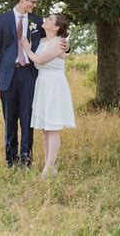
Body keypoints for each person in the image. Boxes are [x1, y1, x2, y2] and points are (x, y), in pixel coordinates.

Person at [0, 0, 68, 168]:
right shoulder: (2, 20)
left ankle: (26, 159)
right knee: (10, 121)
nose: (34, 5)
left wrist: (67, 46)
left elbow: (54, 37)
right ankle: (11, 160)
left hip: (29, 75)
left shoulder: (37, 21)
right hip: (7, 77)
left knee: (28, 119)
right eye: (32, 1)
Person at [21, 13, 75, 177]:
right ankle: (50, 166)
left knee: (53, 128)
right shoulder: (44, 40)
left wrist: (27, 48)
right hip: (43, 84)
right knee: (46, 128)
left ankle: (47, 170)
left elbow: (39, 60)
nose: (46, 20)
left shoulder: (59, 42)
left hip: (54, 86)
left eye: (50, 19)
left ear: (57, 27)